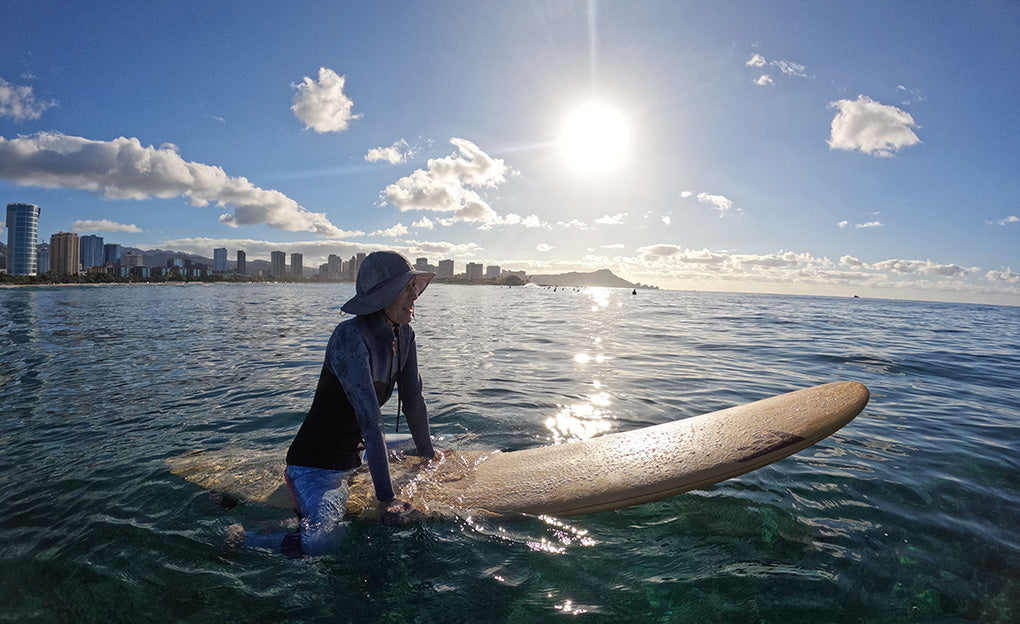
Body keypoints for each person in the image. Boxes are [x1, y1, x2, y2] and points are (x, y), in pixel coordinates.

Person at [228, 251, 441, 557]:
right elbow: (370, 421)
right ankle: (245, 539)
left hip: (359, 449)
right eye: (407, 287)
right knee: (324, 540)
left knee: (433, 441)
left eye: (414, 286)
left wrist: (428, 455)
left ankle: (423, 449)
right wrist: (386, 497)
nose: (414, 295)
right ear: (384, 295)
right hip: (318, 466)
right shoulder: (349, 337)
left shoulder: (404, 334)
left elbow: (413, 402)